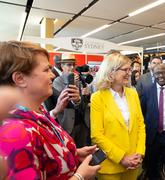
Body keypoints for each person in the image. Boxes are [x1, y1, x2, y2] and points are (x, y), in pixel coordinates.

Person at [0, 41, 100, 179]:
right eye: (46, 70)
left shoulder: (37, 111)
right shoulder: (17, 133)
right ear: (20, 79)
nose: (52, 75)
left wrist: (74, 154)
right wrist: (80, 176)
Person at [90, 52, 146, 180]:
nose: (129, 73)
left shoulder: (133, 94)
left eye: (130, 69)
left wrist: (139, 153)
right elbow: (97, 135)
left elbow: (140, 125)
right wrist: (122, 158)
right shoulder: (97, 98)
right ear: (111, 72)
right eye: (125, 69)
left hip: (133, 163)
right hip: (110, 166)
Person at [52, 54, 90, 148]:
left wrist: (87, 94)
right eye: (69, 65)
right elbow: (64, 100)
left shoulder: (79, 80)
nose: (72, 67)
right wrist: (70, 84)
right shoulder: (58, 81)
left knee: (84, 149)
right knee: (71, 151)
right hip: (69, 125)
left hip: (83, 122)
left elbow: (84, 103)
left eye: (74, 65)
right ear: (62, 66)